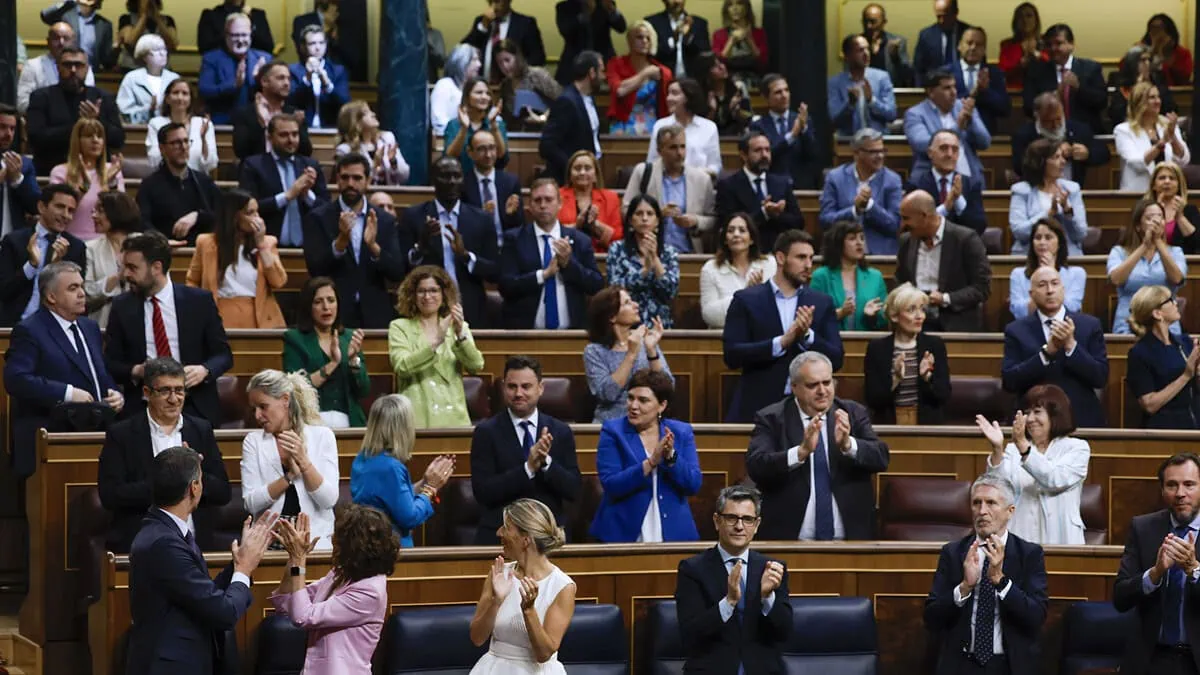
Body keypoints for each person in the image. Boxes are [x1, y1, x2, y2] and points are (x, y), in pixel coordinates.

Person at [123, 447, 277, 675]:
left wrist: (239, 563)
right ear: (194, 487)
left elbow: (201, 595)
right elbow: (224, 612)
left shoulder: (165, 533)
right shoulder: (164, 543)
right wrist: (244, 569)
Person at [745, 351, 890, 540]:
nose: (823, 391)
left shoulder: (853, 413)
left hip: (851, 540)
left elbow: (881, 458)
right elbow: (757, 465)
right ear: (795, 387)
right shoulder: (772, 418)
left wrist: (848, 444)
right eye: (813, 385)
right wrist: (800, 452)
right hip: (788, 540)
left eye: (827, 382)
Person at [97, 357, 231, 553]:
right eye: (165, 391)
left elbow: (223, 492)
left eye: (179, 390)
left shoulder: (200, 430)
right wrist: (171, 482)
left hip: (195, 544)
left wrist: (196, 475)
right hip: (142, 544)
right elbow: (110, 495)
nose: (174, 399)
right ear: (146, 393)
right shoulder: (122, 434)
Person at [3, 260, 122, 477]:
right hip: (51, 434)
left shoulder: (89, 327)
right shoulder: (29, 330)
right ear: (51, 297)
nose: (82, 294)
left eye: (81, 286)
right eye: (72, 288)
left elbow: (99, 374)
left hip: (95, 432)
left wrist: (115, 394)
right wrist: (67, 393)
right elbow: (16, 379)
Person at [923, 475, 1048, 675]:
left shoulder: (1029, 554)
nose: (982, 511)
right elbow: (932, 618)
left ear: (1010, 511)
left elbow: (1035, 616)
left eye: (991, 503)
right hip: (962, 665)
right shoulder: (953, 553)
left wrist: (1000, 581)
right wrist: (964, 588)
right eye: (976, 503)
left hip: (1009, 665)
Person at [105, 230, 232, 425]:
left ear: (156, 267)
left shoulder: (199, 301)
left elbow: (223, 355)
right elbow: (111, 363)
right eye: (124, 267)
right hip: (143, 406)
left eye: (132, 268)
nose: (125, 275)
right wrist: (136, 370)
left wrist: (204, 370)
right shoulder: (122, 307)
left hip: (194, 405)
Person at [722, 229, 843, 423]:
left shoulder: (821, 302)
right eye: (801, 257)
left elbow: (837, 358)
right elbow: (732, 355)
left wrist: (807, 336)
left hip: (809, 411)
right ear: (780, 257)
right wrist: (780, 343)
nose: (808, 265)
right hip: (758, 406)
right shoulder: (746, 299)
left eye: (811, 258)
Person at [674, 484, 793, 671]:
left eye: (747, 519)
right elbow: (690, 634)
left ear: (756, 525)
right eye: (731, 518)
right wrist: (728, 602)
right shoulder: (693, 569)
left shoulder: (772, 569)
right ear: (716, 521)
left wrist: (767, 598)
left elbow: (784, 632)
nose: (739, 526)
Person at [471, 355, 582, 544]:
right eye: (512, 387)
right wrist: (528, 468)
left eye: (526, 387)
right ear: (504, 387)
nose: (518, 393)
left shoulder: (560, 431)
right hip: (502, 535)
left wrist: (546, 462)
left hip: (548, 537)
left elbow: (573, 489)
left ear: (541, 388)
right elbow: (483, 492)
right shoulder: (486, 432)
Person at [270, 508, 396, 674]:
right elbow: (286, 601)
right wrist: (293, 559)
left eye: (339, 539)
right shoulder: (342, 574)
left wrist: (299, 559)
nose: (333, 541)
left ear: (354, 546)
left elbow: (302, 616)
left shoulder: (370, 591)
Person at [1113, 453, 1200, 674]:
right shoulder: (1143, 528)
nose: (1180, 493)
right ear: (1162, 490)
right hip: (1151, 659)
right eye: (1172, 485)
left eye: (1189, 484)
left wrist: (1194, 571)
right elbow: (1121, 598)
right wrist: (1154, 574)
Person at [590, 369, 701, 542]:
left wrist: (671, 456)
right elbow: (611, 484)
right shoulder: (613, 431)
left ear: (662, 405)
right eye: (631, 397)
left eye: (643, 400)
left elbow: (693, 484)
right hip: (623, 530)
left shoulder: (681, 432)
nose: (633, 406)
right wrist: (650, 463)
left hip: (673, 530)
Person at [467, 498, 575, 673]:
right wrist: (496, 601)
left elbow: (543, 654)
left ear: (525, 540)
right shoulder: (498, 574)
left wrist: (529, 610)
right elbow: (477, 638)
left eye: (506, 527)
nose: (498, 532)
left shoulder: (562, 586)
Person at [302, 153, 407, 330]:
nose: (350, 184)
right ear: (337, 179)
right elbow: (315, 269)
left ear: (368, 180)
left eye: (357, 178)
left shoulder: (384, 220)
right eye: (345, 177)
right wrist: (340, 243)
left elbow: (397, 272)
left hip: (375, 313)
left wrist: (374, 247)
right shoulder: (318, 217)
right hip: (335, 315)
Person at [977, 385, 1091, 545]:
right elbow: (998, 488)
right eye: (1027, 412)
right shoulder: (1012, 450)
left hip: (1062, 541)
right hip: (1021, 538)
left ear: (1055, 414)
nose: (1030, 419)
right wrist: (997, 449)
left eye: (1037, 412)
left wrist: (1024, 447)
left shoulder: (1076, 448)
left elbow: (1054, 479)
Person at [1001, 266, 1108, 428]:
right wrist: (1046, 353)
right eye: (1042, 285)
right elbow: (1010, 381)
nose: (1050, 290)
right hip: (1033, 421)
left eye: (1055, 283)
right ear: (1031, 294)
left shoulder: (1089, 325)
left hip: (1080, 418)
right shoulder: (1016, 330)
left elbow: (1100, 377)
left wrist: (1071, 346)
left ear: (1063, 289)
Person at [242, 369, 339, 548]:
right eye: (254, 409)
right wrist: (288, 478)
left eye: (263, 407)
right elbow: (251, 503)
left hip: (314, 542)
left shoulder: (322, 436)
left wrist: (304, 462)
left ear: (285, 400)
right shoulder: (253, 442)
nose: (257, 416)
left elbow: (329, 500)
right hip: (267, 544)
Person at [402, 156, 500, 328]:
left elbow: (494, 271)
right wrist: (420, 247)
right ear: (433, 179)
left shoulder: (481, 219)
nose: (452, 181)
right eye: (445, 176)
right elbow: (400, 269)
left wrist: (465, 256)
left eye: (457, 176)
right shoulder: (413, 216)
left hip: (470, 309)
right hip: (425, 310)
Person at [498, 178, 604, 329]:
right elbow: (505, 286)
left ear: (560, 204)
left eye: (548, 199)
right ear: (530, 206)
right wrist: (543, 275)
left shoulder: (580, 240)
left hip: (571, 335)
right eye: (537, 200)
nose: (543, 205)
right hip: (524, 334)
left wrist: (568, 264)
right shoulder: (514, 239)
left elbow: (596, 285)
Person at [388, 265, 485, 428]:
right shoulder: (399, 327)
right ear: (413, 295)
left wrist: (460, 334)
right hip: (416, 418)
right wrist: (436, 341)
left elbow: (476, 366)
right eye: (421, 291)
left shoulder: (459, 326)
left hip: (454, 418)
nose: (427, 296)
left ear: (444, 294)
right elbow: (402, 366)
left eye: (434, 290)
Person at [350, 394, 454, 546]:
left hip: (369, 547)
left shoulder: (363, 458)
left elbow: (392, 498)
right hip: (390, 551)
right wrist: (430, 488)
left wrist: (425, 481)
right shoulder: (390, 468)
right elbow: (409, 517)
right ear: (402, 429)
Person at [185, 188, 286, 329]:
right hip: (218, 316)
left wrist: (261, 245)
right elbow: (192, 281)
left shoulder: (268, 243)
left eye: (258, 212)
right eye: (250, 213)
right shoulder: (206, 243)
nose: (258, 219)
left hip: (260, 319)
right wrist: (200, 310)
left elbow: (279, 282)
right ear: (233, 216)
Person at [896, 190, 992, 332]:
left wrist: (945, 299)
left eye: (906, 218)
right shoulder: (906, 241)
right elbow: (900, 282)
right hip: (915, 323)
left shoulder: (965, 239)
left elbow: (982, 288)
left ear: (924, 216)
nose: (902, 225)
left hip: (954, 322)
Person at [283, 277, 369, 428]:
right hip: (311, 423)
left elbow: (363, 390)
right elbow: (295, 389)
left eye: (331, 300)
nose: (326, 307)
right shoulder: (295, 339)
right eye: (318, 302)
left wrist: (353, 359)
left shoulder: (349, 337)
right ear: (308, 306)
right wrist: (333, 364)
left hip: (350, 421)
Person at [26, 45, 124, 177]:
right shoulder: (41, 97)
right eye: (67, 65)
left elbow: (118, 139)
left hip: (96, 174)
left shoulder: (103, 97)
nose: (73, 70)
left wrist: (97, 121)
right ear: (58, 68)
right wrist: (80, 125)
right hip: (51, 171)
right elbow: (36, 138)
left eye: (78, 65)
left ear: (87, 68)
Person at [0, 184, 87, 328]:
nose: (66, 215)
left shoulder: (76, 247)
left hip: (57, 329)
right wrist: (31, 266)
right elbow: (4, 291)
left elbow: (76, 297)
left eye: (71, 210)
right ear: (41, 207)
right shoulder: (15, 241)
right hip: (15, 325)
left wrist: (57, 268)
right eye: (60, 207)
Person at [864, 282, 950, 425]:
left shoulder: (934, 345)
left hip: (927, 424)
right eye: (911, 310)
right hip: (889, 423)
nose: (920, 316)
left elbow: (944, 396)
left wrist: (927, 377)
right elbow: (872, 399)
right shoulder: (877, 348)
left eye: (922, 310)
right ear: (894, 316)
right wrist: (896, 379)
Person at [238, 112, 329, 246]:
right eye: (283, 135)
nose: (291, 140)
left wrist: (307, 195)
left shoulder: (310, 165)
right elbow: (247, 209)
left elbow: (327, 209)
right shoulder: (253, 165)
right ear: (269, 137)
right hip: (265, 244)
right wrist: (287, 196)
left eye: (295, 134)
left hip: (308, 248)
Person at [584, 286, 673, 423]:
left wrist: (651, 350)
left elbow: (668, 387)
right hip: (611, 423)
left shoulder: (646, 343)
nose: (636, 305)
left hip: (648, 422)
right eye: (627, 303)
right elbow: (608, 394)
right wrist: (631, 354)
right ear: (612, 316)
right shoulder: (594, 351)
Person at [624, 124, 715, 254]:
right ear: (659, 150)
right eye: (673, 147)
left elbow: (713, 219)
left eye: (683, 147)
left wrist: (695, 221)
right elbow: (626, 211)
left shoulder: (702, 179)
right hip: (648, 252)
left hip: (688, 253)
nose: (680, 153)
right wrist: (657, 215)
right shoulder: (643, 172)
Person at [715, 130, 803, 252]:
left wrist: (777, 214)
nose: (764, 155)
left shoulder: (781, 183)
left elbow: (798, 222)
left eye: (767, 150)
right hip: (743, 252)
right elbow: (726, 227)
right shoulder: (728, 186)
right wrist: (764, 213)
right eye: (758, 150)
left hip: (778, 252)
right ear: (743, 155)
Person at [818, 127, 902, 255]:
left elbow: (895, 225)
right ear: (857, 153)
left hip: (880, 255)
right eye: (873, 152)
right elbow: (825, 220)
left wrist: (870, 206)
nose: (880, 156)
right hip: (841, 254)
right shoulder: (835, 178)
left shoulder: (892, 180)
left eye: (882, 151)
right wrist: (854, 211)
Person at [1126, 286, 1200, 429]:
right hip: (1165, 427)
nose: (1176, 303)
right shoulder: (1139, 353)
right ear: (1157, 313)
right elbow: (1149, 405)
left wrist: (1197, 375)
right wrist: (1186, 375)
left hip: (1194, 420)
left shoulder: (1185, 342)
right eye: (1169, 300)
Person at [1109, 199, 1186, 335]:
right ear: (1138, 225)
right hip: (1128, 323)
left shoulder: (1176, 252)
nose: (1156, 221)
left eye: (1160, 217)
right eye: (1150, 218)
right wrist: (1144, 245)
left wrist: (1157, 242)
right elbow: (1116, 279)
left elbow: (1176, 279)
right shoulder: (1119, 252)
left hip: (1167, 324)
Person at [138, 122, 222, 247]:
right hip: (165, 252)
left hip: (202, 251)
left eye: (186, 141)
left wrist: (197, 216)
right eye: (176, 143)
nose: (183, 147)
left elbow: (222, 214)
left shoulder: (204, 182)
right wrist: (162, 242)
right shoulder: (149, 186)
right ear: (162, 148)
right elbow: (142, 223)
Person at [904, 68, 991, 181]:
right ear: (931, 92)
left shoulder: (964, 107)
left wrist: (972, 121)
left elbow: (985, 143)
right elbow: (923, 145)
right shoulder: (915, 114)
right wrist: (958, 126)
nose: (953, 92)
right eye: (947, 88)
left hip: (969, 178)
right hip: (931, 181)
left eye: (954, 86)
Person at [605, 195, 679, 327]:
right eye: (639, 213)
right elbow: (614, 287)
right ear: (630, 221)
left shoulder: (669, 252)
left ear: (657, 221)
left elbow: (670, 292)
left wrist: (655, 259)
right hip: (626, 325)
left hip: (659, 325)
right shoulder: (617, 249)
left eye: (650, 214)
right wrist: (644, 271)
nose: (644, 218)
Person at [1022, 23, 1107, 134]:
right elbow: (1029, 107)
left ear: (1071, 45)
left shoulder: (1090, 68)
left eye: (1058, 43)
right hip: (1048, 134)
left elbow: (1102, 102)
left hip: (1085, 133)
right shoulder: (1036, 71)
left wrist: (1079, 88)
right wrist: (1053, 96)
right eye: (1049, 44)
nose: (1053, 48)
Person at [50, 117, 125, 241]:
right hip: (70, 241)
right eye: (89, 136)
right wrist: (83, 187)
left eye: (99, 136)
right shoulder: (60, 172)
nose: (95, 140)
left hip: (104, 242)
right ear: (77, 141)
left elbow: (120, 214)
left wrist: (109, 182)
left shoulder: (112, 170)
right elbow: (60, 213)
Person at [1012, 91, 1108, 188]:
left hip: (1073, 191)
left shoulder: (1079, 129)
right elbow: (1019, 167)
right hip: (1037, 191)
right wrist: (1050, 152)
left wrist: (1087, 154)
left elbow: (1104, 153)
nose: (1055, 125)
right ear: (1037, 116)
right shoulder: (1024, 134)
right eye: (1048, 121)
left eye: (1058, 119)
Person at [1009, 139, 1087, 256]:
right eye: (1056, 157)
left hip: (1067, 257)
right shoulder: (1021, 190)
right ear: (1040, 162)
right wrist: (1048, 214)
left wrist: (1067, 211)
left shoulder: (1072, 189)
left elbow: (1080, 234)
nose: (1063, 162)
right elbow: (1020, 232)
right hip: (1030, 257)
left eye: (1063, 157)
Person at [699, 213, 775, 328]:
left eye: (742, 230)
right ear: (725, 239)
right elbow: (709, 315)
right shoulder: (710, 268)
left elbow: (773, 309)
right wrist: (746, 293)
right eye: (730, 230)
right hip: (723, 337)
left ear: (751, 239)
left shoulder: (768, 264)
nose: (736, 234)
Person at [907, 128, 987, 234]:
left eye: (955, 149)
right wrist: (945, 208)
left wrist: (958, 199)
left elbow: (979, 227)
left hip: (961, 247)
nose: (950, 154)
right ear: (930, 153)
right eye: (943, 148)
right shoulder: (916, 184)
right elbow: (913, 224)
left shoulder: (972, 184)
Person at [540, 51, 603, 184]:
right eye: (602, 71)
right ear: (592, 73)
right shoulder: (567, 101)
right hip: (568, 180)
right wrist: (572, 167)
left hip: (587, 177)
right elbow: (547, 145)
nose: (604, 76)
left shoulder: (589, 98)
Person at [810, 221, 887, 331]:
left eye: (862, 238)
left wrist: (871, 316)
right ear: (838, 244)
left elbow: (885, 318)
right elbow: (814, 317)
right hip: (831, 342)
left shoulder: (875, 277)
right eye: (852, 238)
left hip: (866, 342)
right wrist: (840, 313)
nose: (859, 243)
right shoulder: (821, 276)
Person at [1115, 82, 1190, 192]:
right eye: (1152, 97)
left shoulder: (1167, 125)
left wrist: (1172, 137)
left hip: (1168, 193)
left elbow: (1183, 160)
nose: (1157, 101)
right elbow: (1137, 163)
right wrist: (1161, 143)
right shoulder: (1123, 130)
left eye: (1158, 97)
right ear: (1139, 102)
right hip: (1138, 193)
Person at [231, 61, 314, 161]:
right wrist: (262, 126)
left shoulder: (293, 113)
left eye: (289, 79)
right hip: (256, 172)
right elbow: (241, 151)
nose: (287, 83)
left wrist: (298, 128)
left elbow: (306, 152)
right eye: (281, 78)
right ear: (264, 82)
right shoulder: (245, 113)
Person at [197, 12, 271, 125]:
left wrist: (260, 81)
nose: (240, 40)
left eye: (244, 35)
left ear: (251, 35)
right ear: (226, 35)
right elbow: (204, 90)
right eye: (235, 35)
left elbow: (276, 95)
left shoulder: (264, 58)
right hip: (223, 124)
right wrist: (233, 85)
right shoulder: (211, 59)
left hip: (257, 124)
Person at [1008, 218, 1086, 320]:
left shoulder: (1077, 273)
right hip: (1029, 328)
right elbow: (1019, 313)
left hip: (1064, 326)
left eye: (1048, 237)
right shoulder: (1017, 274)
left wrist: (1051, 272)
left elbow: (1071, 309)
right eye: (1038, 237)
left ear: (1059, 243)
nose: (1042, 242)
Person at [751, 73, 818, 189]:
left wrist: (804, 129)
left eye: (786, 90)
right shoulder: (759, 125)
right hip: (772, 186)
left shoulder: (802, 120)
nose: (784, 95)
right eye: (778, 92)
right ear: (766, 97)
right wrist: (792, 135)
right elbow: (766, 155)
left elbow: (813, 154)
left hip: (801, 186)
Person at [605, 20, 672, 135]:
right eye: (639, 37)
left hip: (653, 124)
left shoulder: (661, 71)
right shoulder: (616, 64)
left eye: (648, 38)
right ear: (630, 40)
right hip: (623, 122)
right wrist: (645, 73)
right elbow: (619, 91)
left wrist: (628, 84)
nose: (644, 41)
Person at [646, 78, 722, 178]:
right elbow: (652, 162)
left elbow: (715, 166)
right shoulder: (660, 125)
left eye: (674, 93)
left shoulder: (709, 127)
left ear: (689, 97)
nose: (668, 98)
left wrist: (695, 175)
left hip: (699, 183)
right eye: (668, 93)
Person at [85, 191, 140, 327]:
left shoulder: (144, 243)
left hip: (139, 323)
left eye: (100, 211)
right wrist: (118, 277)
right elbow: (87, 293)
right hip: (102, 325)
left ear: (117, 213)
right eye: (94, 211)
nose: (93, 216)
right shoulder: (90, 248)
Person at [16, 23, 96, 114]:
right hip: (43, 119)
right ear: (48, 41)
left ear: (74, 41)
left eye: (66, 38)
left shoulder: (82, 66)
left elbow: (89, 98)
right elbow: (21, 103)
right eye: (56, 38)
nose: (61, 43)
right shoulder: (32, 66)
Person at [462, 130, 522, 249]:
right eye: (481, 149)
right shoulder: (463, 184)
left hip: (506, 248)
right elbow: (461, 226)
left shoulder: (510, 182)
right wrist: (481, 216)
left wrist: (511, 215)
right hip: (476, 248)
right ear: (470, 152)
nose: (488, 155)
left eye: (492, 148)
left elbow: (519, 225)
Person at [146, 80, 219, 175]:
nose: (180, 97)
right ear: (167, 98)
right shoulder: (156, 124)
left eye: (185, 93)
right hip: (166, 180)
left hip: (197, 182)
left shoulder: (203, 123)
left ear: (190, 99)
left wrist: (203, 140)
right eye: (175, 93)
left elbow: (211, 164)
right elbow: (153, 160)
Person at [462, 0, 547, 80]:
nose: (493, 6)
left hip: (515, 87)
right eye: (490, 1)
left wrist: (517, 72)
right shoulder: (481, 21)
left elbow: (538, 58)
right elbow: (463, 52)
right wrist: (483, 27)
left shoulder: (525, 23)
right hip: (484, 87)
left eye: (498, 1)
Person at [557, 150, 621, 252]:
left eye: (587, 168)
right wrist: (576, 225)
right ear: (570, 174)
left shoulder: (610, 198)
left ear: (596, 175)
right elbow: (550, 230)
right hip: (566, 254)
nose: (582, 172)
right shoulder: (557, 196)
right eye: (577, 168)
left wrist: (595, 225)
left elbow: (618, 237)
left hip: (600, 257)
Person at [443, 77, 510, 176]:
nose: (484, 97)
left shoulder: (497, 124)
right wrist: (464, 129)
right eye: (479, 92)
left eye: (487, 93)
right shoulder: (454, 125)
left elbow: (501, 157)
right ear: (467, 97)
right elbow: (449, 158)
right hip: (461, 181)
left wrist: (493, 126)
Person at [292, 0, 369, 83]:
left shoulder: (344, 25)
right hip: (309, 76)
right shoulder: (302, 21)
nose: (337, 13)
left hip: (339, 79)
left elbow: (353, 59)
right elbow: (302, 50)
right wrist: (325, 32)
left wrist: (334, 38)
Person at [288, 25, 349, 131]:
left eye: (321, 43)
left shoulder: (338, 71)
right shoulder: (292, 70)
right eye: (312, 43)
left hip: (331, 128)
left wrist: (327, 83)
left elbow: (344, 103)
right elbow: (291, 102)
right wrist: (307, 78)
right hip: (301, 130)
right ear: (302, 47)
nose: (318, 48)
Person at [335, 101, 409, 186]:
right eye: (366, 112)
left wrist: (393, 162)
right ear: (356, 121)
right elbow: (354, 184)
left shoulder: (387, 138)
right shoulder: (345, 150)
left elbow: (404, 177)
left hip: (392, 195)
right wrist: (374, 165)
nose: (373, 114)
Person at [494, 39, 561, 129]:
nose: (505, 66)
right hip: (519, 135)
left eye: (507, 60)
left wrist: (543, 117)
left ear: (517, 57)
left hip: (547, 129)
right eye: (500, 63)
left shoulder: (536, 75)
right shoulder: (505, 86)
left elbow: (562, 100)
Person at [555, 0, 626, 85]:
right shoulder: (564, 6)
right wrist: (586, 14)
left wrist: (612, 10)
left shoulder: (604, 3)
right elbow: (566, 31)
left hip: (604, 64)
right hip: (573, 65)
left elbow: (621, 28)